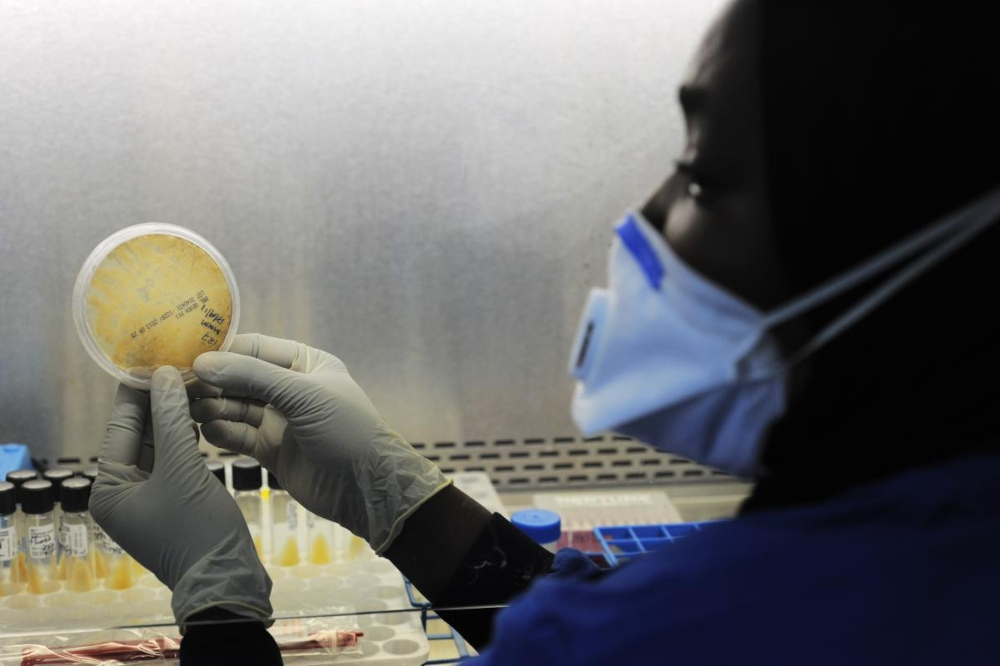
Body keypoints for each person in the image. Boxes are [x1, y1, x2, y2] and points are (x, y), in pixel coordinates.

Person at [90, 1, 1000, 663]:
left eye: (704, 176)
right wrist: (403, 504)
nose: (646, 217)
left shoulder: (707, 627)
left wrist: (220, 610)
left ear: (884, 229)